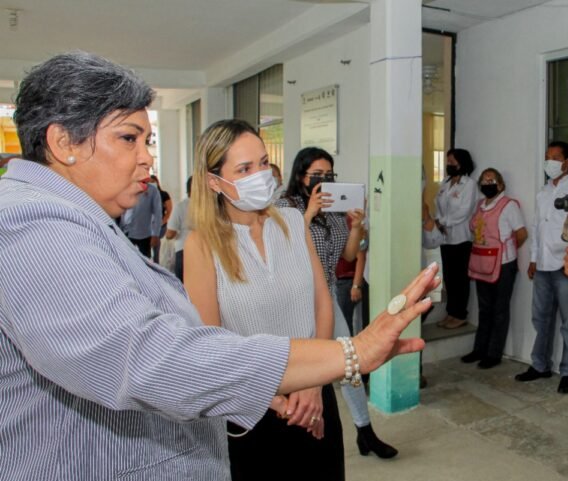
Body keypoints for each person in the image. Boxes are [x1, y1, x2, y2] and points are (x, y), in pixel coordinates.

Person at [0, 51, 437, 480]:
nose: (146, 158)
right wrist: (350, 352)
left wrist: (318, 377)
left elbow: (318, 300)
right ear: (63, 143)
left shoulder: (79, 220)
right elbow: (155, 356)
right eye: (129, 138)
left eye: (146, 141)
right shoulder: (30, 222)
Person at [184, 120, 344, 480]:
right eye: (244, 169)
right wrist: (280, 402)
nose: (260, 175)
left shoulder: (292, 221)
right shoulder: (202, 244)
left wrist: (314, 382)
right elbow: (210, 343)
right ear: (214, 181)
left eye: (262, 162)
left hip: (315, 395)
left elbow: (322, 302)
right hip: (254, 406)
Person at [276, 147, 398, 459]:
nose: (323, 180)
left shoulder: (334, 213)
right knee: (302, 371)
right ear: (301, 175)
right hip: (296, 299)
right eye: (316, 175)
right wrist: (307, 214)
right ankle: (299, 431)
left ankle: (365, 432)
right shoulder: (284, 206)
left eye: (329, 175)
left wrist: (357, 225)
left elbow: (347, 255)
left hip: (327, 295)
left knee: (350, 364)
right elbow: (281, 250)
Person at [515, 141, 568, 394]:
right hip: (542, 265)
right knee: (540, 319)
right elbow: (536, 228)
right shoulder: (543, 191)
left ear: (567, 163)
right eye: (547, 157)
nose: (549, 162)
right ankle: (540, 365)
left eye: (555, 158)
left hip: (566, 265)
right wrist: (533, 259)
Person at [461, 168, 527, 369]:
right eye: (484, 180)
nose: (487, 183)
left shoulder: (509, 206)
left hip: (503, 265)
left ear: (500, 185)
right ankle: (479, 349)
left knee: (500, 309)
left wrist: (507, 252)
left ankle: (494, 353)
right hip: (482, 263)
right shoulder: (481, 205)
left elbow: (521, 233)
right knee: (484, 308)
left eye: (492, 180)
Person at [434, 148, 479, 329]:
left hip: (462, 238)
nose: (449, 165)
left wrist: (444, 222)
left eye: (453, 162)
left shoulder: (470, 184)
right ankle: (451, 312)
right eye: (448, 162)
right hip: (445, 238)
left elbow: (465, 211)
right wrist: (438, 221)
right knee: (449, 278)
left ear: (463, 163)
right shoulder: (445, 183)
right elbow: (438, 205)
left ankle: (460, 314)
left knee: (460, 278)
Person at [119, 179, 163, 257]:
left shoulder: (152, 191)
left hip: (144, 234)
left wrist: (156, 234)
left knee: (145, 260)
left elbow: (158, 214)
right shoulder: (125, 187)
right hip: (126, 231)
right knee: (126, 258)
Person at [165, 175, 192, 281]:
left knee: (183, 286)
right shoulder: (211, 207)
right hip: (206, 251)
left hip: (184, 250)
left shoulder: (181, 206)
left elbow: (170, 233)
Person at [149, 174, 173, 262]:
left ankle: (156, 262)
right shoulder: (145, 194)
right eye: (149, 182)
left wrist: (163, 221)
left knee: (156, 245)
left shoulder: (163, 194)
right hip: (148, 225)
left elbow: (169, 209)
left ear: (157, 183)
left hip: (160, 225)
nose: (151, 184)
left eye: (153, 182)